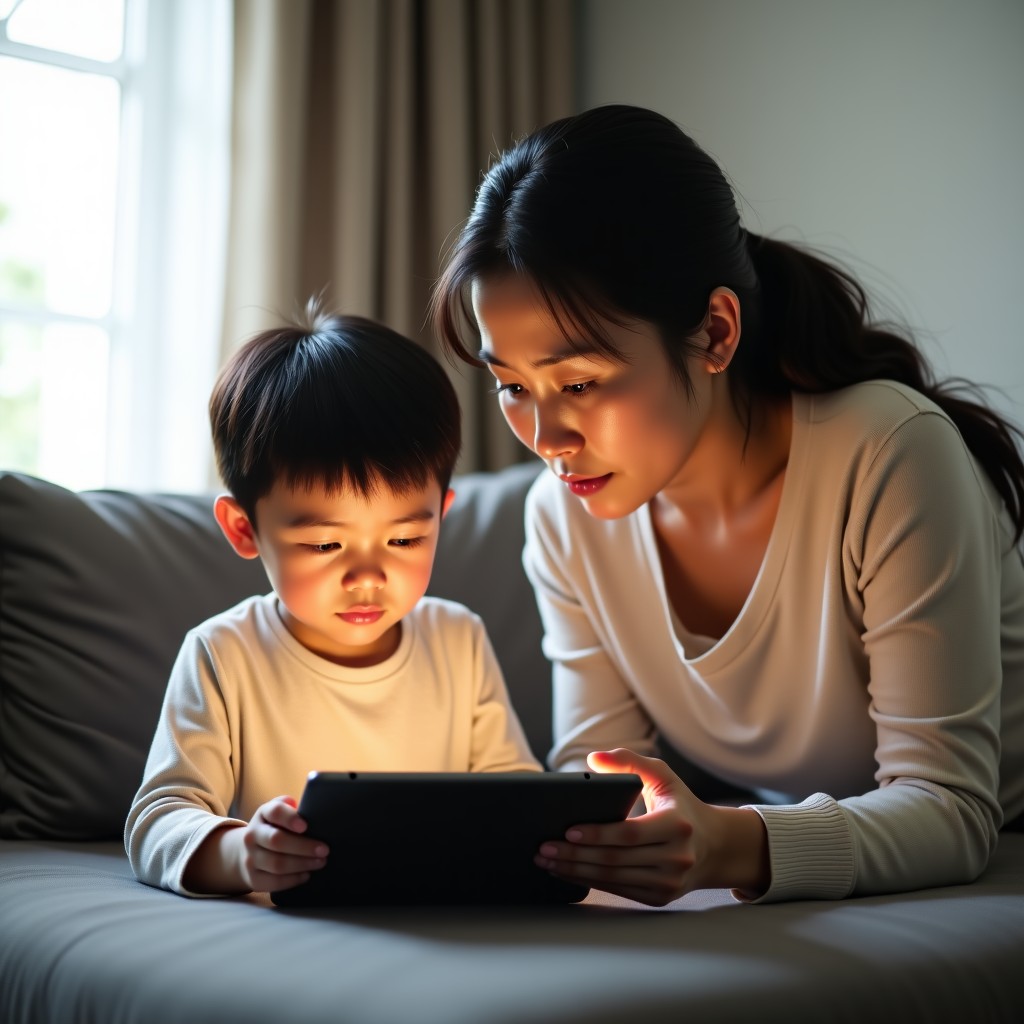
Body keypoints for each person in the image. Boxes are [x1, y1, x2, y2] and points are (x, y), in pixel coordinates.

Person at [430, 103, 1024, 906]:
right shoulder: (562, 518)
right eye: (511, 387)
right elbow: (600, 781)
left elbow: (952, 809)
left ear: (714, 332)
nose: (546, 436)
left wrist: (730, 846)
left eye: (578, 384)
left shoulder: (889, 454)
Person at [125, 302, 540, 897]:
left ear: (441, 521)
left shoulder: (459, 639)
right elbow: (160, 817)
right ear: (244, 529)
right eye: (324, 543)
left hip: (434, 911)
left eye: (404, 538)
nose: (367, 576)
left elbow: (512, 787)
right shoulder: (224, 654)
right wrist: (244, 853)